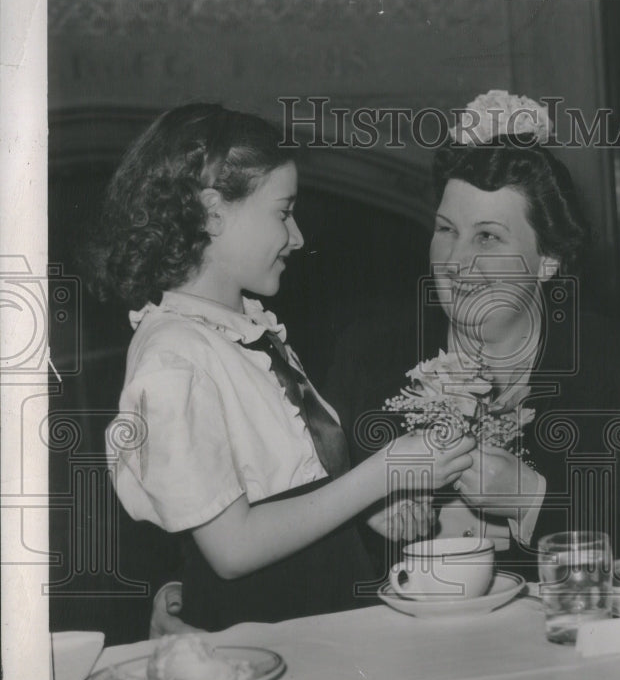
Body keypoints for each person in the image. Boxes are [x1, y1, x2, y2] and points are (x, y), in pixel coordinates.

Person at [90, 103, 474, 631]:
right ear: (213, 212)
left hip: (316, 623)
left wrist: (366, 509)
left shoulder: (244, 332)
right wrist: (380, 475)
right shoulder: (174, 360)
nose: (296, 237)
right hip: (262, 635)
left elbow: (281, 488)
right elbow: (232, 547)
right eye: (282, 211)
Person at [325, 91, 620, 578]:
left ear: (548, 259)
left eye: (487, 237)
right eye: (446, 230)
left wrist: (529, 499)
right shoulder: (368, 354)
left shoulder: (619, 365)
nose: (455, 261)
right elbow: (305, 507)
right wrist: (363, 508)